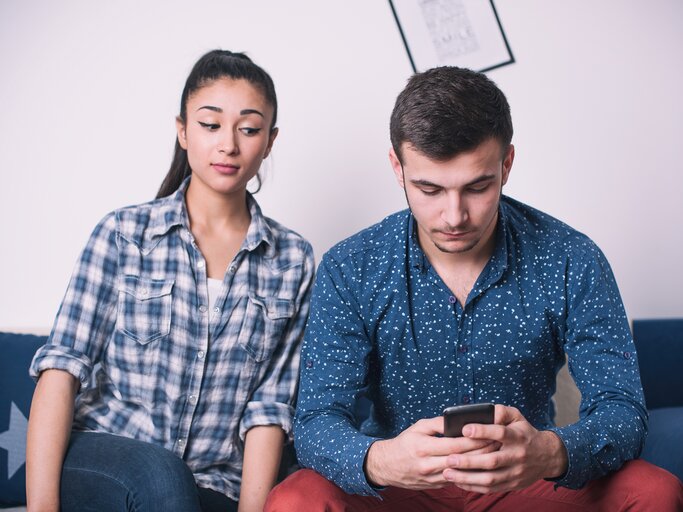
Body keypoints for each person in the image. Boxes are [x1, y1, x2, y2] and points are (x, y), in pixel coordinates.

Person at [265, 66, 683, 511]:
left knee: (653, 492)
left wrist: (548, 452)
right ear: (397, 167)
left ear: (506, 164)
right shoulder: (350, 267)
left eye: (477, 187)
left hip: (526, 484)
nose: (454, 215)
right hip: (399, 488)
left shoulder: (571, 257)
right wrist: (381, 461)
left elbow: (622, 409)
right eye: (429, 188)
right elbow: (315, 420)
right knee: (296, 500)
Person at [26, 49, 315, 512]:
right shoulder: (124, 234)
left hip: (215, 479)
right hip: (105, 454)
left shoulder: (293, 259)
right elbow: (61, 373)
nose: (228, 144)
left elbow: (269, 409)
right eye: (210, 124)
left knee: (183, 489)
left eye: (248, 128)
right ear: (182, 130)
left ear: (270, 140)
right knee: (161, 477)